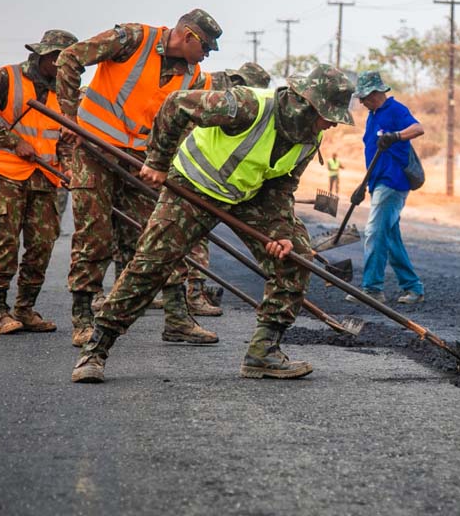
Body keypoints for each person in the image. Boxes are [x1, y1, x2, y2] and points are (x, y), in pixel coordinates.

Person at [71, 64, 355, 383]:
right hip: (193, 186)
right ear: (306, 103)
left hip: (248, 195)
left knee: (295, 258)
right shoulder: (247, 106)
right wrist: (158, 162)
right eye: (328, 114)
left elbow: (281, 186)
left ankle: (263, 353)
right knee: (150, 266)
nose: (331, 123)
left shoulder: (308, 138)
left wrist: (280, 233)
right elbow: (177, 103)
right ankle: (95, 351)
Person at [55, 9, 222, 346]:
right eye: (204, 46)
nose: (206, 55)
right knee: (94, 236)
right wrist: (68, 117)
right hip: (94, 150)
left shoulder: (196, 79)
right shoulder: (132, 39)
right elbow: (70, 58)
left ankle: (177, 318)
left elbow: (182, 129)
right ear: (188, 36)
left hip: (141, 161)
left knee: (162, 235)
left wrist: (163, 165)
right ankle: (83, 319)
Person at [0, 30, 78, 333]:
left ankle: (25, 308)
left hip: (46, 178)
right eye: (63, 62)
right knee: (3, 244)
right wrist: (13, 141)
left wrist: (69, 168)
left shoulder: (67, 93)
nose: (67, 69)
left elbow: (67, 138)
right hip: (6, 174)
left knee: (41, 246)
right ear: (49, 57)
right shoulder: (6, 78)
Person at [182, 60, 273, 317]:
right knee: (193, 237)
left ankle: (183, 294)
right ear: (241, 84)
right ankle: (193, 295)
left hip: (192, 167)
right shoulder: (220, 96)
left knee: (177, 237)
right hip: (190, 171)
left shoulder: (217, 87)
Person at [344, 71, 425, 305]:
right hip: (378, 182)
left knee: (374, 231)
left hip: (393, 183)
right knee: (389, 237)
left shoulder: (395, 110)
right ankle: (413, 288)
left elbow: (418, 129)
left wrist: (396, 136)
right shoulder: (373, 115)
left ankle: (372, 288)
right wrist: (363, 186)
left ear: (376, 93)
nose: (361, 102)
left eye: (364, 97)